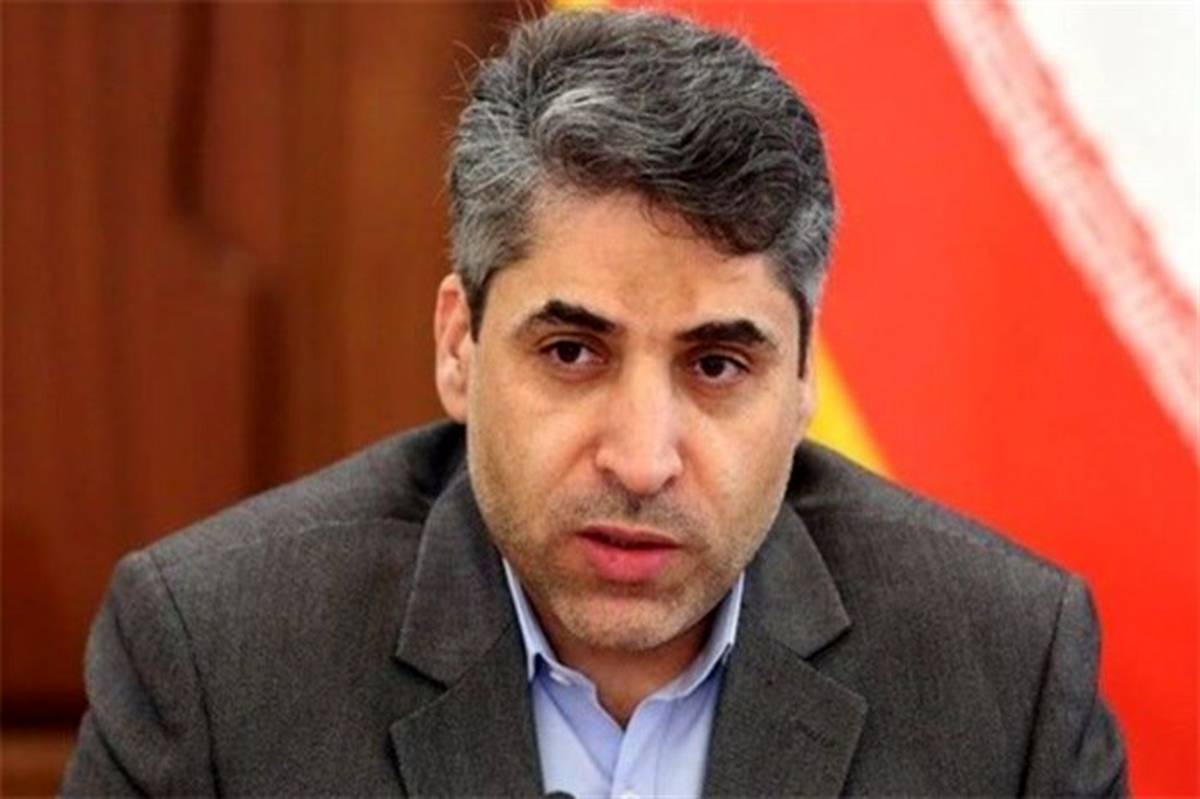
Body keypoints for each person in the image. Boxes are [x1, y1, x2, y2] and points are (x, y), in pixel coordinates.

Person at [61, 8, 1127, 797]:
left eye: (718, 365)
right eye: (572, 351)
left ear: (804, 378)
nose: (642, 458)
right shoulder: (217, 657)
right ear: (460, 346)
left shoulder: (1006, 672)